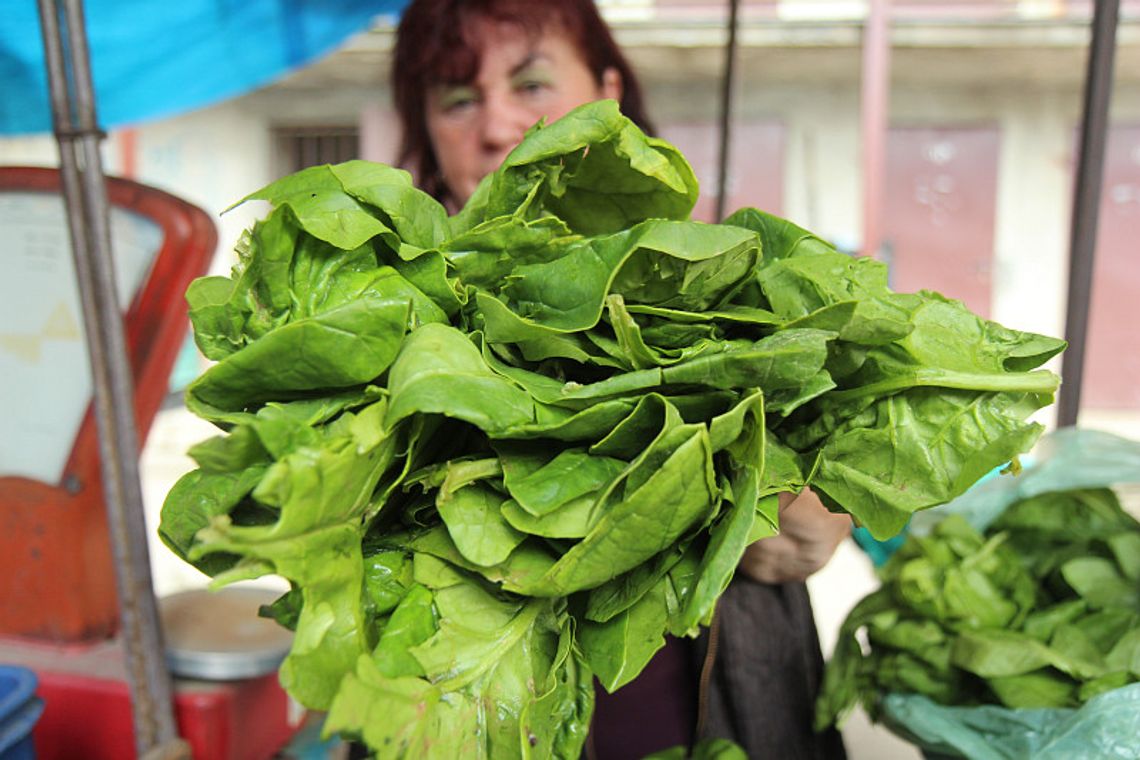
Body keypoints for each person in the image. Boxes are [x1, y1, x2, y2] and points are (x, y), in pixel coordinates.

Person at [390, 1, 852, 757]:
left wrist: (810, 511)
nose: (499, 125)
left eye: (532, 85)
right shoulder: (392, 323)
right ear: (429, 132)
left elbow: (838, 469)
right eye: (459, 98)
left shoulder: (731, 287)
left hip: (720, 700)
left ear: (607, 92)